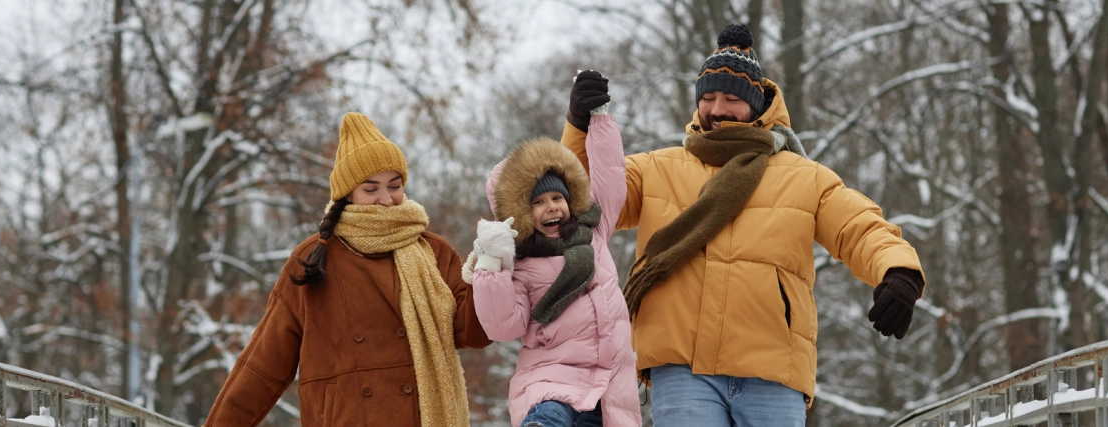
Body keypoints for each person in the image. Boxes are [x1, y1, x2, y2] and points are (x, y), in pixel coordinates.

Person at [560, 24, 927, 426]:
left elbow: (859, 226)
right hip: (682, 368)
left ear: (756, 105)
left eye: (732, 98)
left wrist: (898, 270)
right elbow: (584, 198)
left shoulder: (802, 176)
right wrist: (580, 127)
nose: (717, 109)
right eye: (709, 97)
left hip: (771, 367)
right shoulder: (656, 170)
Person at [204, 112, 491, 427]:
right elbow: (265, 364)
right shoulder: (314, 256)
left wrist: (491, 270)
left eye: (394, 185)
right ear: (348, 194)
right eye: (371, 189)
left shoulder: (432, 251)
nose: (386, 199)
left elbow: (473, 332)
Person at [465, 83, 639, 427]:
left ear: (569, 199)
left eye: (556, 199)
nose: (551, 208)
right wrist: (490, 265)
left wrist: (599, 120)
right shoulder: (521, 263)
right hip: (551, 382)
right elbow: (504, 326)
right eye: (538, 203)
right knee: (548, 419)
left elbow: (610, 176)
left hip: (608, 391)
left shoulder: (593, 233)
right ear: (522, 212)